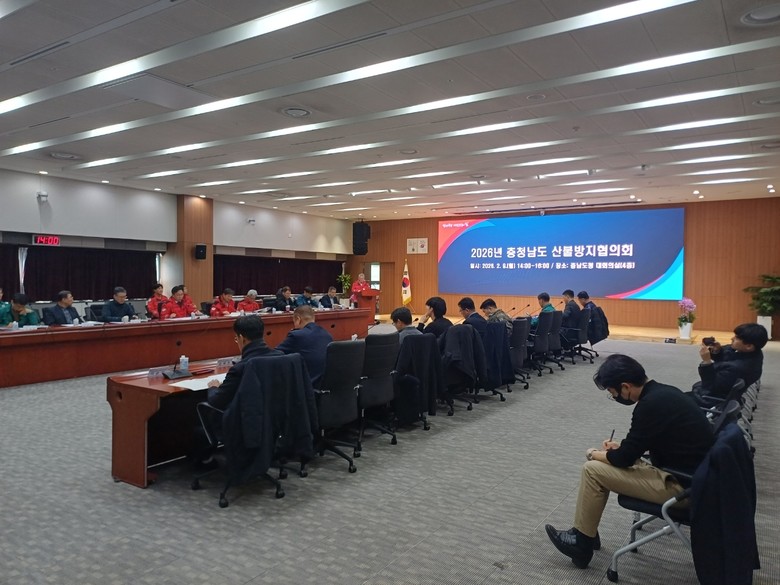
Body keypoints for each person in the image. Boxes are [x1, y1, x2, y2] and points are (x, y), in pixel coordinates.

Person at [545, 354, 714, 570]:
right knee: (599, 467)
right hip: (694, 477)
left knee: (592, 469)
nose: (614, 397)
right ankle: (586, 535)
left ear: (625, 386)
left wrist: (594, 453)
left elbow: (623, 459)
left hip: (684, 490)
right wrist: (621, 449)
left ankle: (582, 541)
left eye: (613, 393)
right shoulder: (665, 393)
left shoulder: (649, 405)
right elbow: (641, 444)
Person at [198, 316, 283, 466]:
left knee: (199, 423)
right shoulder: (280, 357)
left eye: (236, 339)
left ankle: (204, 461)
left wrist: (213, 387)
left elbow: (216, 401)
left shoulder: (241, 367)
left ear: (242, 338)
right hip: (275, 421)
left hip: (244, 424)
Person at [691, 323, 767, 404]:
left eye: (737, 338)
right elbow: (729, 355)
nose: (732, 338)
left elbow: (710, 387)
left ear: (748, 346)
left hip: (711, 400)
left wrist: (707, 362)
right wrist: (718, 351)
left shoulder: (737, 368)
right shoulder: (753, 353)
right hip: (723, 393)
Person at [275, 305, 333, 386]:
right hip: (325, 386)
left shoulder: (296, 335)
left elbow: (275, 354)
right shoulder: (327, 335)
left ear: (298, 319)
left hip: (307, 386)